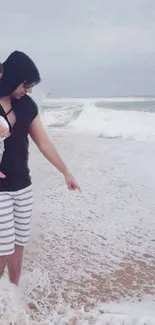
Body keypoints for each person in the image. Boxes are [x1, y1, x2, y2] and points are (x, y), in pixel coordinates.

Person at [0, 50, 80, 286]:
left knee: (17, 243)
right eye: (26, 84)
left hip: (23, 185)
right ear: (13, 77)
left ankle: (13, 290)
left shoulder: (26, 105)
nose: (29, 90)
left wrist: (65, 172)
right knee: (2, 245)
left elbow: (43, 143)